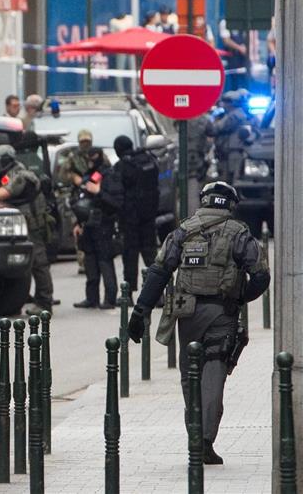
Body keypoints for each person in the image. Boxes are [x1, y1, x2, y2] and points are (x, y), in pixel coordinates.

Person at [127, 182, 270, 465]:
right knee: (213, 376)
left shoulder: (183, 231)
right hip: (222, 315)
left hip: (187, 315)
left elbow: (158, 272)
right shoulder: (239, 233)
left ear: (204, 201)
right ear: (230, 205)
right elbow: (261, 276)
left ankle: (195, 435)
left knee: (189, 376)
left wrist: (139, 312)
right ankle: (204, 440)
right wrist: (240, 298)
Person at [0, 145, 55, 314]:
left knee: (39, 263)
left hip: (32, 225)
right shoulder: (6, 176)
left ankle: (45, 302)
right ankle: (29, 297)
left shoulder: (21, 176)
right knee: (24, 264)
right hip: (18, 226)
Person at [71, 150, 122, 309]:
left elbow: (116, 202)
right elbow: (81, 201)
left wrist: (99, 192)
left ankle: (109, 298)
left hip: (103, 224)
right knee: (90, 262)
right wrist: (78, 223)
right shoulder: (88, 175)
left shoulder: (110, 176)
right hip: (88, 225)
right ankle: (91, 298)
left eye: (93, 157)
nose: (90, 161)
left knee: (104, 261)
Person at [112, 135, 159, 302]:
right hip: (149, 215)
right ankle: (157, 293)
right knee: (151, 255)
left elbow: (116, 192)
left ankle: (128, 294)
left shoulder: (122, 166)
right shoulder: (149, 160)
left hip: (130, 217)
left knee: (130, 256)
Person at [59, 129, 111, 274]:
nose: (85, 144)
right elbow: (62, 175)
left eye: (87, 142)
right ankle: (83, 260)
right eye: (83, 142)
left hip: (95, 193)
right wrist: (73, 177)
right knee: (78, 228)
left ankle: (94, 258)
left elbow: (107, 170)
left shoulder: (98, 155)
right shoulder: (72, 158)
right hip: (78, 197)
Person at [206, 91, 250, 184]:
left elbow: (216, 129)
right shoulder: (234, 114)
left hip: (233, 152)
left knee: (231, 179)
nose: (223, 105)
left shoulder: (234, 115)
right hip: (228, 152)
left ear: (232, 103)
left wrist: (206, 122)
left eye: (226, 102)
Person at [180, 114, 211, 211]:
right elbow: (212, 131)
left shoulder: (182, 117)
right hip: (196, 157)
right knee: (194, 187)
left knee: (192, 186)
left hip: (186, 157)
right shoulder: (204, 119)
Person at [219, 19, 249, 91]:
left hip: (243, 58)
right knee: (233, 80)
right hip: (231, 57)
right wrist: (240, 48)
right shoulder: (225, 22)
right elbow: (226, 41)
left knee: (244, 79)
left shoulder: (244, 21)